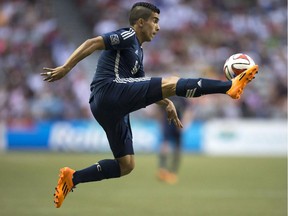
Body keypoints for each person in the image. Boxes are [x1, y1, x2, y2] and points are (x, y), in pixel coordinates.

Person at [41, 2, 258, 208]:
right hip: (109, 91)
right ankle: (229, 87)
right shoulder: (127, 35)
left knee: (126, 165)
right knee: (172, 80)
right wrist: (66, 67)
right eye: (154, 20)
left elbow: (143, 87)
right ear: (141, 23)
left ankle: (72, 178)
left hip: (110, 108)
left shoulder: (138, 53)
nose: (158, 26)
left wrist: (166, 104)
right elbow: (93, 42)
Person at [156, 96, 187, 184]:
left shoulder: (179, 97)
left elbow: (188, 111)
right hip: (169, 124)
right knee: (168, 146)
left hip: (176, 124)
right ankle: (165, 170)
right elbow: (159, 111)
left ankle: (169, 171)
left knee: (174, 148)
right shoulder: (177, 96)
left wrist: (184, 123)